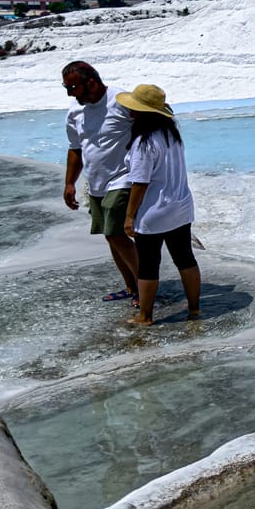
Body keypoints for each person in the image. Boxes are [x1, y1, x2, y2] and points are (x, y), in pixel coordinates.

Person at [116, 83, 202, 325]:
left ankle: (145, 316)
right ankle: (194, 309)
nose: (130, 113)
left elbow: (140, 183)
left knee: (148, 266)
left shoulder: (143, 143)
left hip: (154, 212)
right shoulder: (172, 137)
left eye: (134, 109)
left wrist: (130, 216)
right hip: (181, 207)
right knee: (185, 259)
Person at [61, 60, 140, 301]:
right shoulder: (75, 112)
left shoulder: (122, 101)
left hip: (123, 178)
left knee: (116, 232)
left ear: (91, 82)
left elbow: (151, 131)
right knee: (110, 236)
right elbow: (75, 149)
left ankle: (146, 286)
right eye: (66, 88)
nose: (69, 93)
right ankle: (132, 287)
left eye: (72, 87)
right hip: (95, 182)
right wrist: (69, 183)